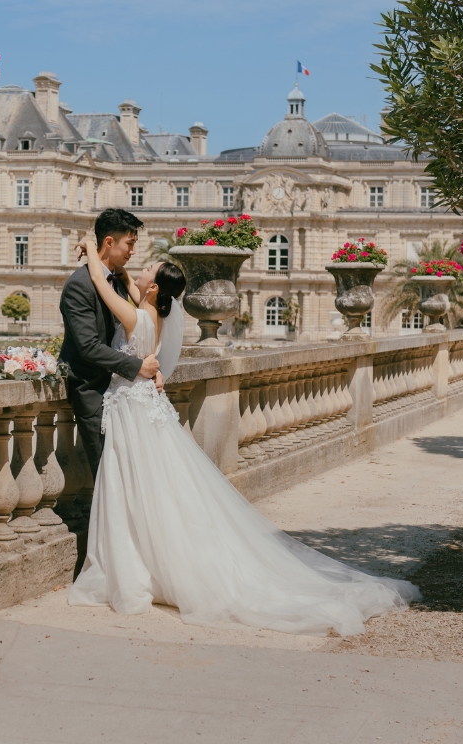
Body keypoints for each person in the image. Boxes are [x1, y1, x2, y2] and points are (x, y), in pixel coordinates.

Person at [66, 237, 421, 637]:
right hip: (146, 404)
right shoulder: (155, 315)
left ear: (152, 288)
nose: (140, 269)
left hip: (132, 406)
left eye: (147, 271)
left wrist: (93, 250)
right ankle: (159, 562)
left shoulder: (136, 318)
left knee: (133, 485)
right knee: (160, 488)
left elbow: (99, 280)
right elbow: (134, 286)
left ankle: (137, 565)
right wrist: (131, 273)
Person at [59, 209, 160, 479]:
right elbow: (89, 347)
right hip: (91, 391)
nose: (133, 251)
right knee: (108, 475)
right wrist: (139, 367)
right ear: (109, 243)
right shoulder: (79, 285)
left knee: (132, 472)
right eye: (130, 243)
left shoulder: (115, 280)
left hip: (121, 391)